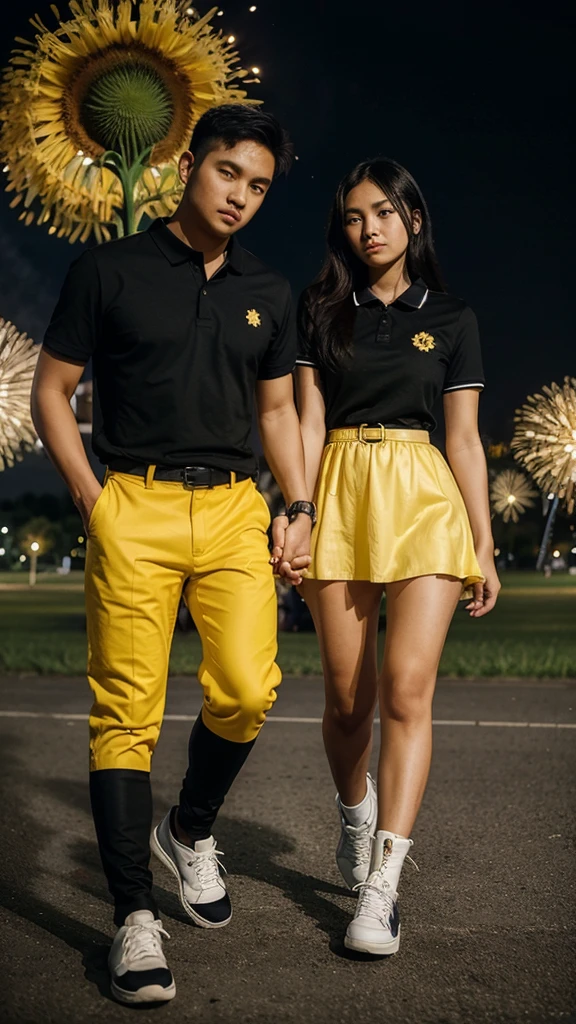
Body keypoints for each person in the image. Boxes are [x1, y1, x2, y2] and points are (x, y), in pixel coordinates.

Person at [31, 104, 314, 1005]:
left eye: (260, 186)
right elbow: (53, 390)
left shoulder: (270, 289)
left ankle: (189, 829)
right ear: (190, 164)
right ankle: (133, 918)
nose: (241, 196)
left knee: (246, 687)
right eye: (229, 172)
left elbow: (276, 414)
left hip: (235, 510)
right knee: (128, 714)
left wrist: (297, 506)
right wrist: (93, 500)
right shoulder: (107, 270)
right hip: (134, 503)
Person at [274, 157, 501, 956]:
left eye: (382, 212)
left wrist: (484, 539)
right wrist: (297, 510)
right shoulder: (319, 311)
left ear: (412, 218)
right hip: (339, 490)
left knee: (408, 691)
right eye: (352, 217)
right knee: (348, 703)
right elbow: (304, 422)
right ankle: (354, 812)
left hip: (424, 496)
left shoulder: (456, 316)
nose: (367, 228)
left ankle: (383, 886)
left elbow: (465, 440)